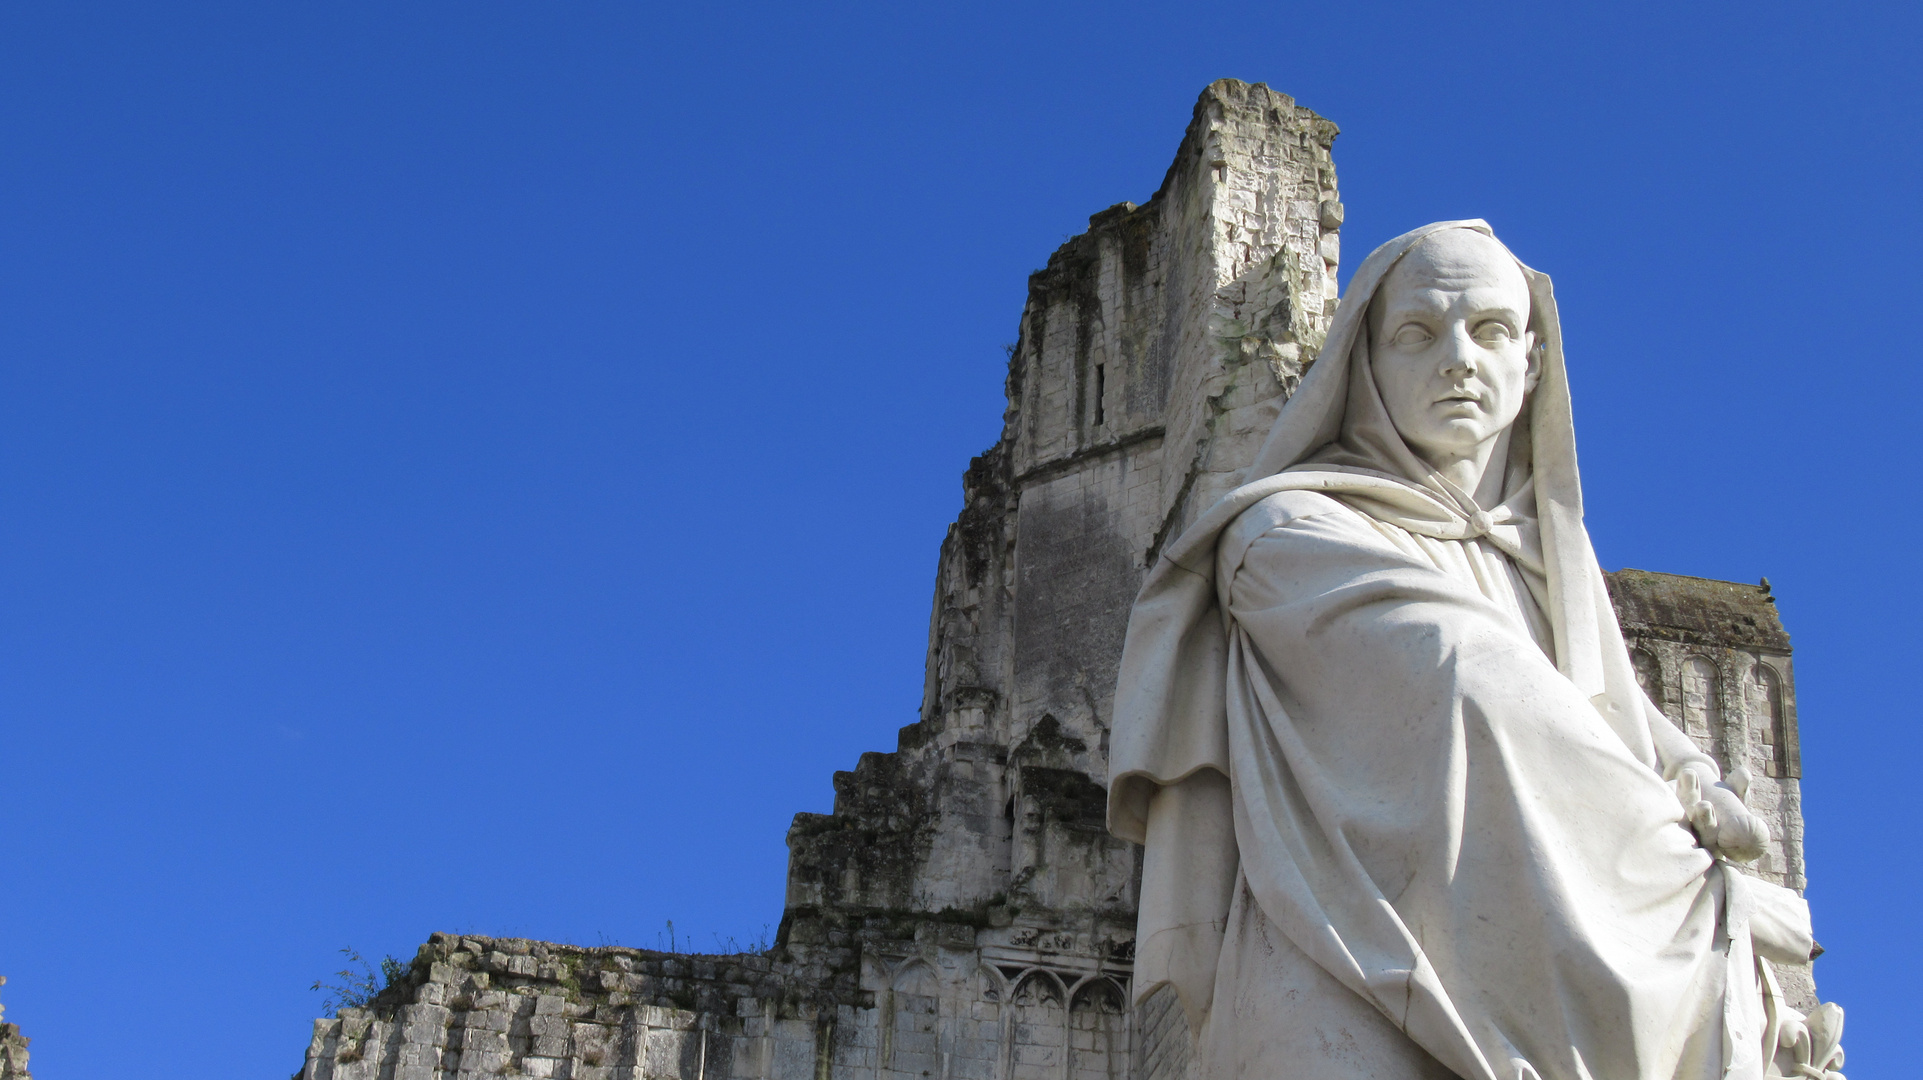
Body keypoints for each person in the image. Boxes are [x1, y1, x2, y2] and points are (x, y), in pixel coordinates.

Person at [1106, 222, 1832, 1080]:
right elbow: (1474, 690)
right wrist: (1703, 890)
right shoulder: (1286, 532)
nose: (1457, 358)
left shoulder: (1547, 563)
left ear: (1529, 363)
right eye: (1418, 332)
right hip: (1351, 951)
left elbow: (1611, 715)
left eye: (1488, 329)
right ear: (1365, 365)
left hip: (1529, 958)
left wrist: (1692, 777)